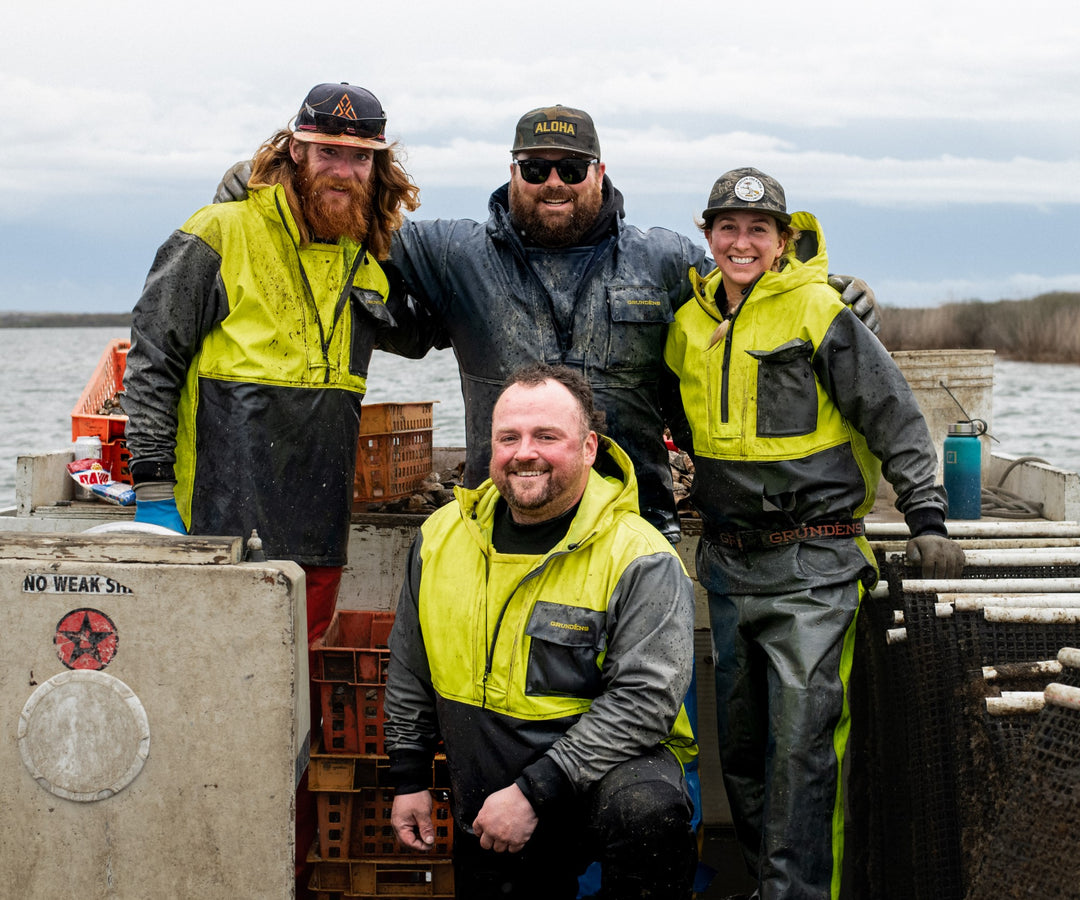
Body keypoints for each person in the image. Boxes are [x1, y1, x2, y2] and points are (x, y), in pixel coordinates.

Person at [214, 104, 880, 544]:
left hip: (637, 525)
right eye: (535, 168)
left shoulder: (665, 258)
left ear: (600, 172)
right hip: (502, 523)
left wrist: (831, 291)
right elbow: (350, 220)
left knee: (651, 702)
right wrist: (266, 185)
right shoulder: (452, 253)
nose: (553, 181)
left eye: (571, 168)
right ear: (513, 172)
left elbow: (753, 290)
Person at [120, 81, 421, 893]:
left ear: (378, 167)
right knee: (211, 720)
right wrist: (153, 489)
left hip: (315, 538)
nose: (342, 170)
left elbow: (418, 331)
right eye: (328, 151)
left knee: (292, 730)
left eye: (360, 158)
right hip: (215, 534)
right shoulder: (217, 232)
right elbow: (151, 362)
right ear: (294, 149)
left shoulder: (368, 254)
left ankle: (282, 875)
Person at [660, 167, 965, 900]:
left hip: (816, 569)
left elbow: (894, 414)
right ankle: (771, 884)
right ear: (708, 236)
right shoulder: (688, 324)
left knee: (801, 756)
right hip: (728, 567)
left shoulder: (821, 309)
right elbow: (671, 416)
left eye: (757, 230)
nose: (741, 242)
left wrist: (926, 517)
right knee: (742, 754)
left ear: (782, 239)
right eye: (727, 228)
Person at [384, 363, 699, 899]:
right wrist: (409, 778)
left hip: (600, 776)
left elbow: (644, 702)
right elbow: (411, 667)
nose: (524, 453)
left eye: (547, 436)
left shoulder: (640, 556)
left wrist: (534, 792)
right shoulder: (440, 538)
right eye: (509, 437)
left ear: (589, 448)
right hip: (489, 791)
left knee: (648, 813)